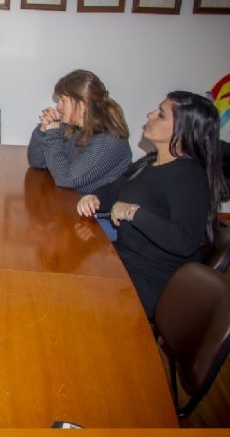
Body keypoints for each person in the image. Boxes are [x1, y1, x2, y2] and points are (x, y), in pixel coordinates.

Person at [76, 91, 224, 319]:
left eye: (161, 115)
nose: (150, 114)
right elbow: (114, 189)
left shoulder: (188, 176)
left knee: (78, 306)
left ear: (183, 130)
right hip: (122, 260)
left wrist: (132, 212)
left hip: (151, 280)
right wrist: (94, 197)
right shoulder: (150, 162)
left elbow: (184, 241)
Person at [27, 69, 131, 195]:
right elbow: (37, 162)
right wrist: (43, 131)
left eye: (63, 101)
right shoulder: (72, 128)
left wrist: (53, 135)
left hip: (93, 213)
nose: (58, 107)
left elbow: (66, 179)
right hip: (68, 201)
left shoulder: (109, 141)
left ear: (83, 103)